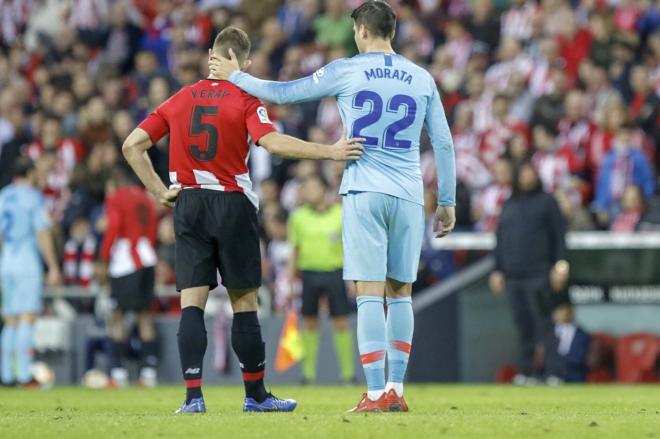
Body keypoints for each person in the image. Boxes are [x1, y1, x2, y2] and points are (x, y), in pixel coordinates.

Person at [209, 0, 456, 412]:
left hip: (364, 190)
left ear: (360, 30)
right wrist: (445, 201)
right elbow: (444, 143)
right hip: (410, 194)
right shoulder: (422, 77)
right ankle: (396, 389)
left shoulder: (347, 70)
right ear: (391, 31)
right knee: (401, 294)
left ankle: (376, 393)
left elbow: (285, 93)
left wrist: (237, 76)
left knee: (368, 294)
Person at [122, 27, 364, 414]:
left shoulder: (179, 99)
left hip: (188, 204)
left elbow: (132, 145)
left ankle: (193, 398)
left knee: (192, 304)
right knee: (245, 303)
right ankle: (255, 395)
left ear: (212, 57)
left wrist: (158, 190)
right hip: (231, 204)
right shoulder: (246, 97)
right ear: (244, 63)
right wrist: (330, 152)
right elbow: (272, 141)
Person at [489, 162, 568, 384]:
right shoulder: (509, 204)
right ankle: (527, 372)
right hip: (514, 275)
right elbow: (500, 240)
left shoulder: (547, 202)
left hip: (540, 273)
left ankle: (554, 373)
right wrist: (497, 269)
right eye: (523, 173)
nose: (526, 177)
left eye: (530, 173)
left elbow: (560, 237)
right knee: (522, 326)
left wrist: (560, 266)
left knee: (544, 324)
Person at [288, 174, 354, 385]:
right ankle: (307, 374)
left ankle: (348, 374)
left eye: (312, 187)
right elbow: (294, 250)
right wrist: (289, 281)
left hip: (335, 272)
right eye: (305, 188)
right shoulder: (298, 217)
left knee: (341, 322)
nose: (308, 192)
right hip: (309, 273)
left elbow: (350, 248)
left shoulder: (340, 214)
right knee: (309, 322)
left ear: (324, 189)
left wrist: (353, 279)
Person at [0, 159, 62, 386]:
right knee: (27, 317)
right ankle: (24, 375)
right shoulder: (34, 198)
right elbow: (42, 234)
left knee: (10, 320)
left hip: (6, 263)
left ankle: (6, 376)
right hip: (27, 263)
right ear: (29, 173)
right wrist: (53, 267)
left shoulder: (3, 196)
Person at [98, 166, 159, 388]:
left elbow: (113, 227)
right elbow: (152, 231)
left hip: (125, 260)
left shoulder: (117, 197)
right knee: (144, 317)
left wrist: (103, 258)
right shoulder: (146, 198)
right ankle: (149, 373)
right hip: (147, 257)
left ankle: (118, 372)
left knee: (118, 316)